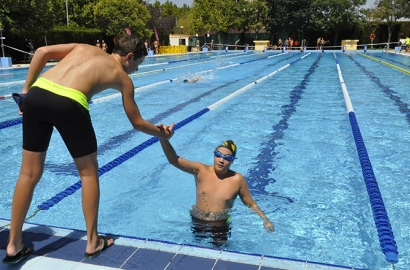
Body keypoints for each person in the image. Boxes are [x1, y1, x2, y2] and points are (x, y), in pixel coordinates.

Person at [3, 34, 174, 264]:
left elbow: (42, 52)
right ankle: (93, 241)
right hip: (69, 102)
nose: (135, 70)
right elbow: (137, 122)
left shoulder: (83, 47)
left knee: (29, 173)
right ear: (129, 57)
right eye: (138, 64)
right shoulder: (122, 78)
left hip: (36, 94)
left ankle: (13, 245)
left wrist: (25, 91)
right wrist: (162, 133)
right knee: (88, 172)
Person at [158, 139, 274, 247]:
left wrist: (265, 219)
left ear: (232, 160)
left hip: (220, 224)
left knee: (220, 255)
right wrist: (163, 138)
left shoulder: (237, 180)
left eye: (227, 157)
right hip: (197, 221)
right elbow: (173, 159)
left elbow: (250, 203)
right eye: (218, 155)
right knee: (194, 252)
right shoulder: (200, 170)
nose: (221, 160)